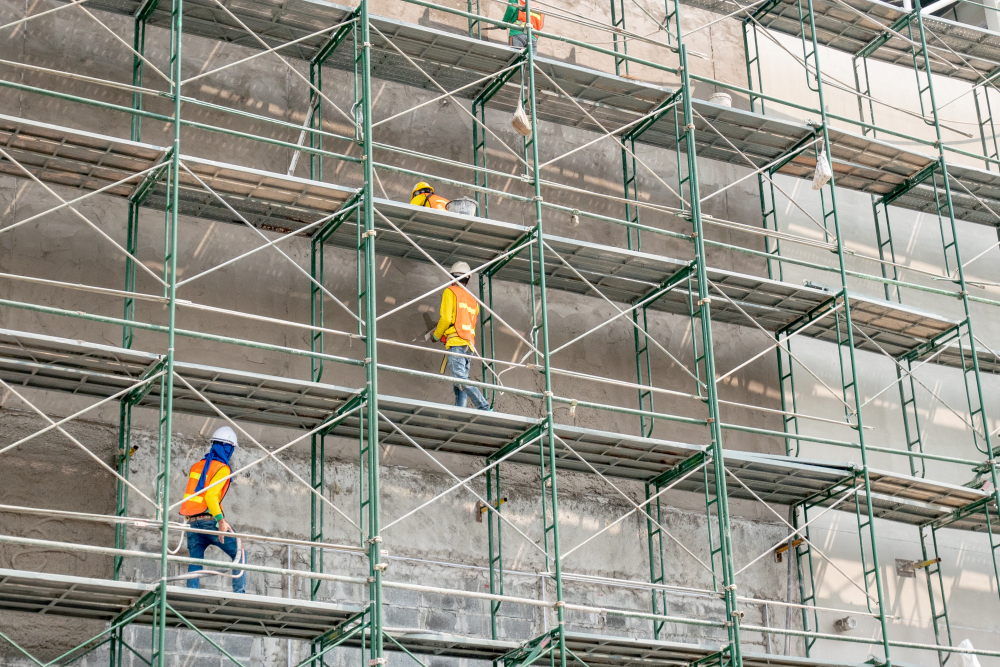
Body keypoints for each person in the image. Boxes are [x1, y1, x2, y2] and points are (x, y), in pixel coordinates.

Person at [179, 426, 246, 594]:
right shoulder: (222, 468)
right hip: (210, 521)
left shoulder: (197, 466)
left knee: (195, 560)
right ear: (228, 448)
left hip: (192, 522)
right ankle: (239, 593)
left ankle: (192, 592)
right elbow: (210, 497)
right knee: (240, 553)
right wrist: (221, 521)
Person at [424, 261, 492, 411]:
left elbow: (447, 319)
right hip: (468, 344)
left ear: (451, 278)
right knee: (460, 383)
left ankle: (484, 406)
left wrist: (436, 335)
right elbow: (465, 322)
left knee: (459, 378)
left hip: (456, 342)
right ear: (468, 279)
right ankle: (460, 410)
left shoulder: (451, 291)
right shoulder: (473, 300)